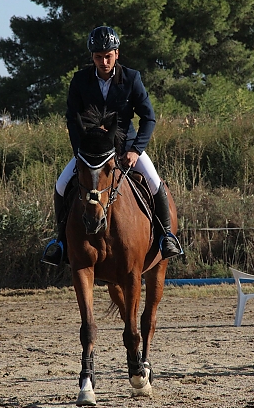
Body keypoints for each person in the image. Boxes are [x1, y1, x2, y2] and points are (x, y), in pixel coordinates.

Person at [42, 25, 182, 266]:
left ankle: (166, 237)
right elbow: (72, 120)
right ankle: (61, 242)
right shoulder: (80, 81)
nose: (103, 61)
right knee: (62, 185)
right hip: (91, 152)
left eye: (108, 56)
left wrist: (136, 150)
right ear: (92, 57)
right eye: (98, 57)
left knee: (154, 181)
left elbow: (149, 118)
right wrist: (79, 153)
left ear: (117, 53)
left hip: (126, 148)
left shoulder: (131, 78)